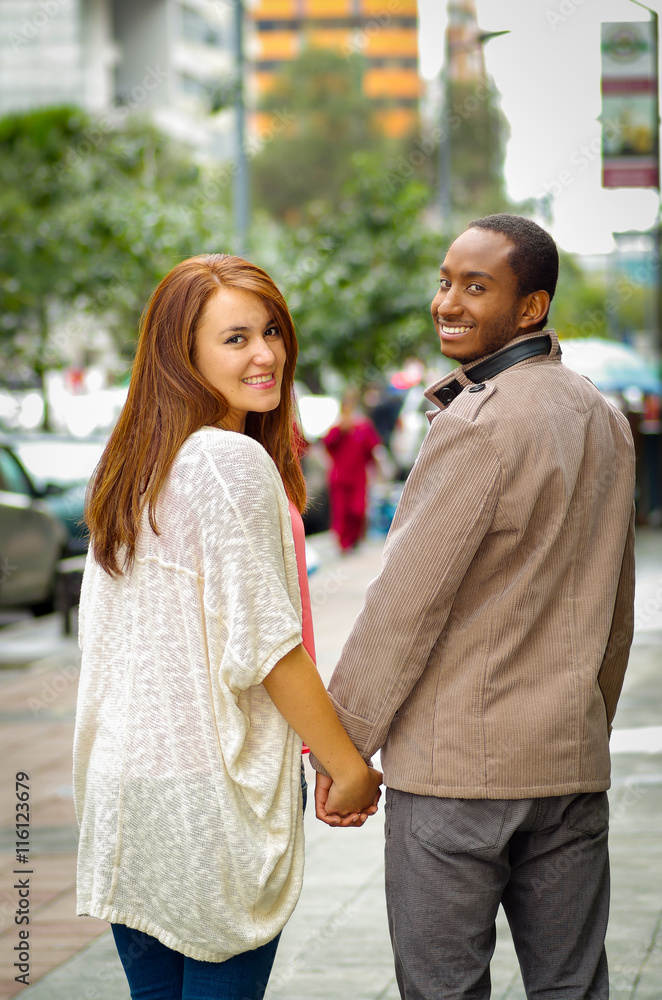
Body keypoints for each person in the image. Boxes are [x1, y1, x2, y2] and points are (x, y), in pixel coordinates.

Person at [312, 215, 636, 999]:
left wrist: (342, 750)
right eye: (447, 280)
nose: (447, 301)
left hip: (457, 778)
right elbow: (616, 614)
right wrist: (585, 724)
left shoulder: (479, 426)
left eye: (476, 286)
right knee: (573, 987)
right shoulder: (604, 417)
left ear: (532, 307)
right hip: (568, 764)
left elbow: (404, 606)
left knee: (444, 990)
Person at [73, 254, 382, 1000]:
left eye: (271, 331)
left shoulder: (136, 466)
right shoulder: (224, 460)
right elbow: (269, 647)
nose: (266, 354)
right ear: (183, 355)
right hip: (202, 803)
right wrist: (349, 765)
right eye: (235, 338)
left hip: (126, 793)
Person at [323, 387, 381, 552]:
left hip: (358, 478)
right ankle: (344, 543)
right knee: (341, 512)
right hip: (340, 477)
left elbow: (372, 448)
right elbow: (327, 446)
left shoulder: (363, 427)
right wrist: (340, 430)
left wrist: (376, 469)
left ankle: (356, 537)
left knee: (357, 510)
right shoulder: (337, 428)